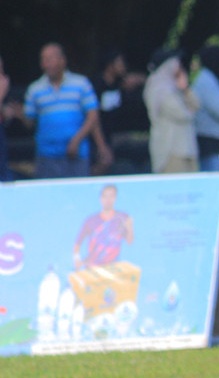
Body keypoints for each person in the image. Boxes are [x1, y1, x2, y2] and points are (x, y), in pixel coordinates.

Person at [24, 43, 113, 179]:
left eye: (50, 59)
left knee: (78, 196)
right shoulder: (34, 89)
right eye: (43, 59)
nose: (46, 64)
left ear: (62, 60)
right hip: (46, 156)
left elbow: (93, 116)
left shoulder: (81, 84)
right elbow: (29, 122)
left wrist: (78, 141)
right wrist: (16, 114)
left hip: (77, 154)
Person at [92, 47, 149, 173]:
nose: (123, 66)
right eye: (120, 63)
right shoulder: (97, 86)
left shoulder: (122, 84)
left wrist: (140, 79)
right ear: (110, 65)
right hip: (104, 140)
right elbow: (99, 114)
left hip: (121, 136)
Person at [144, 49, 200, 173]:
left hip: (187, 148)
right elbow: (183, 114)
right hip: (171, 150)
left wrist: (186, 89)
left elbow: (197, 106)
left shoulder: (176, 88)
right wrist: (190, 110)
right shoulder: (159, 89)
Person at [73, 183, 133, 269]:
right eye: (105, 196)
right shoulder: (91, 221)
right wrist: (77, 259)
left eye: (111, 196)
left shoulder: (122, 218)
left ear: (115, 198)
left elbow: (129, 241)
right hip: (93, 268)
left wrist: (129, 227)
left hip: (113, 268)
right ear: (100, 198)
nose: (108, 200)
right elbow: (77, 244)